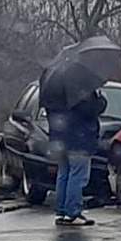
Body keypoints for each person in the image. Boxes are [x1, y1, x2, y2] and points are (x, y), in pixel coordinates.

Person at [49, 90, 107, 226]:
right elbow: (93, 110)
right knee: (77, 176)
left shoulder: (57, 92)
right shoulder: (82, 92)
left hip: (61, 139)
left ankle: (62, 210)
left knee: (64, 175)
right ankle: (72, 212)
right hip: (79, 140)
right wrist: (100, 98)